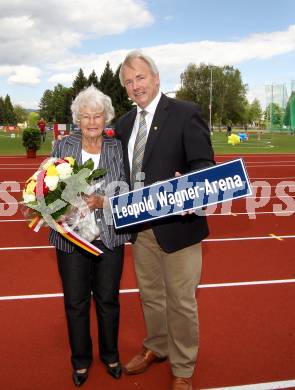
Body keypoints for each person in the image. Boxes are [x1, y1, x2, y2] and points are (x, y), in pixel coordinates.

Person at [115, 51, 215, 390]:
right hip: (141, 230)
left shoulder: (186, 113)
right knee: (150, 296)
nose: (135, 86)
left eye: (140, 78)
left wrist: (187, 185)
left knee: (182, 301)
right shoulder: (125, 123)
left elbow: (205, 164)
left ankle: (183, 367)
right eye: (129, 82)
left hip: (179, 228)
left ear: (156, 78)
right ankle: (157, 346)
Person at [49, 86, 130, 387]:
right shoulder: (62, 146)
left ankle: (110, 355)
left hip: (108, 236)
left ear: (106, 118)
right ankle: (80, 361)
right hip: (71, 238)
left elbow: (129, 192)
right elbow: (47, 188)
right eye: (86, 116)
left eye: (98, 116)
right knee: (76, 302)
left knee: (108, 300)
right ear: (77, 119)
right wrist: (59, 207)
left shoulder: (117, 148)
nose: (92, 122)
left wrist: (104, 201)